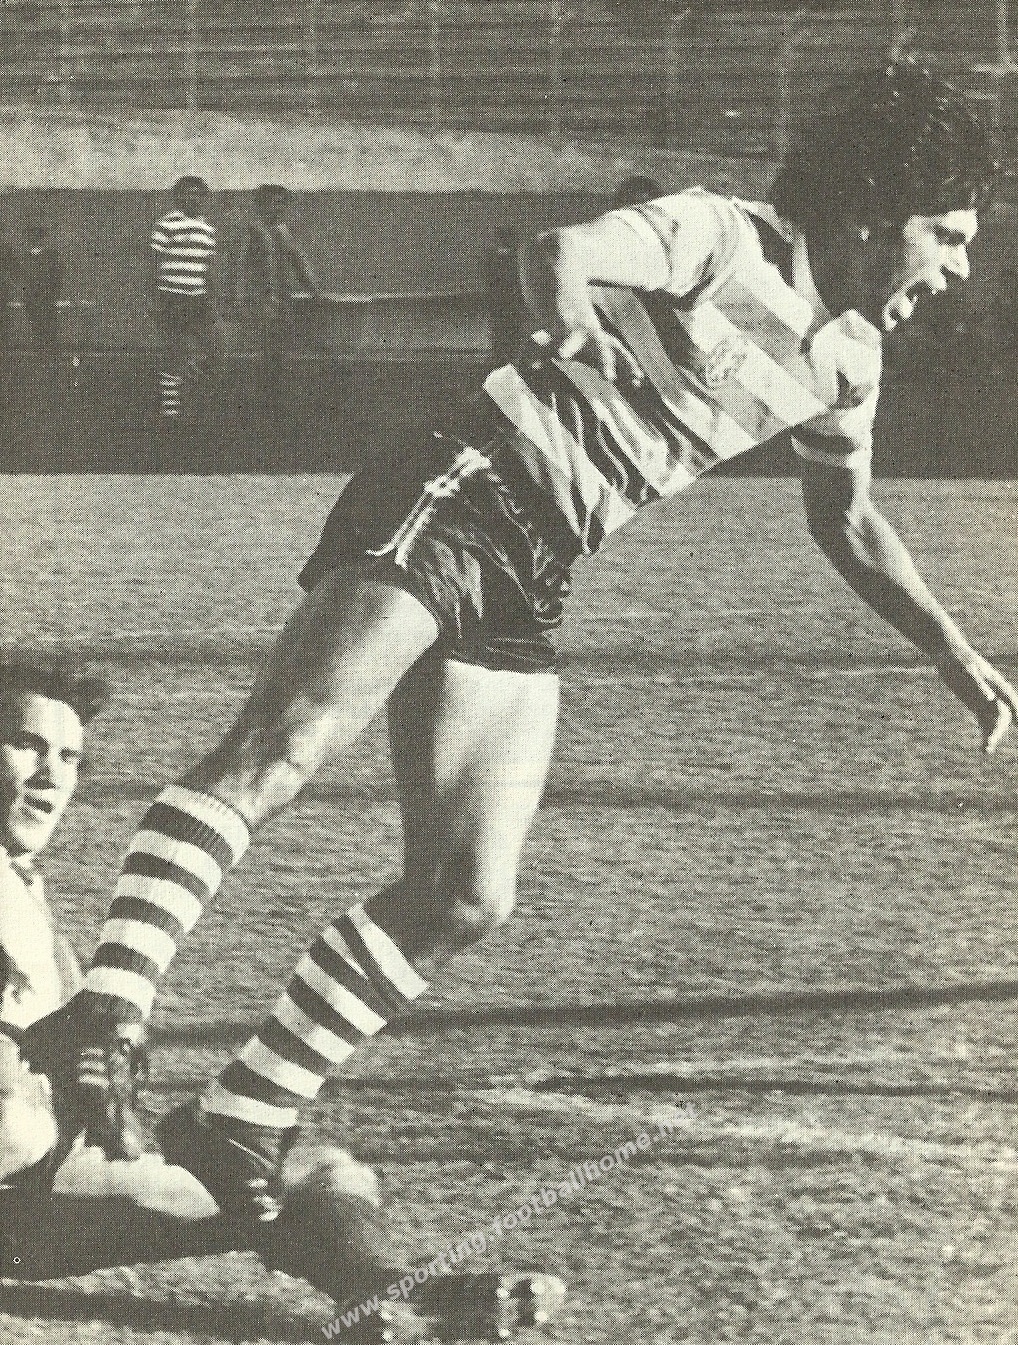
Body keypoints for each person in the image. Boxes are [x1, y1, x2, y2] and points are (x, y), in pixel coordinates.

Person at [49, 60, 1018, 1277]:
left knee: (465, 894)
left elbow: (849, 519)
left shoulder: (850, 360)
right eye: (948, 233)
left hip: (537, 563)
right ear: (873, 213)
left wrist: (953, 651)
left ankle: (240, 1117)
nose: (958, 265)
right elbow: (563, 251)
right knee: (283, 748)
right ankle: (106, 1009)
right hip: (463, 488)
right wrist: (567, 319)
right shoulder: (726, 236)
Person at [0, 655, 561, 1339]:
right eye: (26, 744)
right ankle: (398, 1296)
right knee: (270, 1169)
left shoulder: (25, 887)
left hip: (54, 1185)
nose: (51, 775)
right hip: (24, 1193)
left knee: (306, 1167)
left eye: (69, 756)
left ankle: (385, 1297)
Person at [244, 183, 323, 419]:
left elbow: (298, 262)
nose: (278, 208)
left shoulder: (283, 231)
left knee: (278, 354)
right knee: (264, 354)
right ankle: (260, 406)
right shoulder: (252, 232)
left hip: (282, 303)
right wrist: (246, 300)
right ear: (261, 206)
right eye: (273, 203)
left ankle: (273, 404)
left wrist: (315, 292)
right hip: (262, 303)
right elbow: (239, 269)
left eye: (281, 204)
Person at [149, 176, 217, 425]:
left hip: (198, 300)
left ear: (204, 198)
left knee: (214, 350)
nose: (193, 198)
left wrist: (210, 299)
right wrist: (154, 299)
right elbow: (153, 262)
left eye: (198, 194)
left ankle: (190, 381)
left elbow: (208, 269)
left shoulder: (208, 230)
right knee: (174, 352)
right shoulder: (166, 224)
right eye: (187, 194)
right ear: (178, 197)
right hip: (171, 298)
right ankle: (170, 409)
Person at [21, 224, 63, 354]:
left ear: (42, 238)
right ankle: (39, 352)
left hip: (48, 297)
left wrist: (55, 296)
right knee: (35, 325)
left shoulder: (52, 256)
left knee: (49, 326)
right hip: (31, 298)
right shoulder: (25, 257)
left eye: (37, 236)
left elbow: (57, 277)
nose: (34, 239)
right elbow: (22, 279)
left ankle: (49, 351)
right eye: (31, 237)